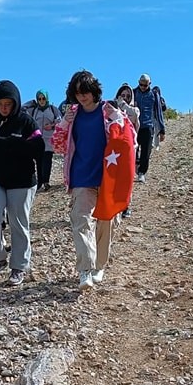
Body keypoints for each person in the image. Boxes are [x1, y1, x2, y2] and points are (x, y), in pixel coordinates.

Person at [51, 70, 136, 292]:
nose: (82, 96)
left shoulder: (109, 111)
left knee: (105, 222)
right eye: (77, 92)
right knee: (81, 220)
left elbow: (130, 139)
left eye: (85, 91)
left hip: (107, 176)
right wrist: (63, 123)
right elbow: (58, 146)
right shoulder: (71, 114)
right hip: (81, 176)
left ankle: (100, 265)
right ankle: (85, 270)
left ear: (94, 90)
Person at [0, 80, 44, 285]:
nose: (4, 108)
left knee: (18, 223)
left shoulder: (26, 122)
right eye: (0, 104)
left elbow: (38, 148)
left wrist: (16, 145)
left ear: (15, 103)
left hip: (21, 180)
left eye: (8, 104)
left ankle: (19, 267)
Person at [21, 90, 62, 191]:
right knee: (39, 161)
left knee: (47, 160)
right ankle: (39, 183)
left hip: (49, 140)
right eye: (39, 98)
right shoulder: (34, 110)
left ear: (47, 98)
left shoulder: (53, 109)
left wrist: (51, 125)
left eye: (43, 98)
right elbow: (22, 109)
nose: (41, 100)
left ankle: (46, 182)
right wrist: (31, 102)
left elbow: (60, 120)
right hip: (37, 140)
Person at [132, 74, 165, 183]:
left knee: (146, 152)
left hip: (148, 126)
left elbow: (158, 112)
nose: (142, 87)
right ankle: (135, 165)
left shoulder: (154, 95)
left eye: (145, 85)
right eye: (141, 84)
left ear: (149, 84)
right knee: (133, 150)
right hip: (134, 126)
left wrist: (161, 130)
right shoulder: (133, 93)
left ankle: (142, 173)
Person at [114, 83, 140, 218]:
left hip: (129, 148)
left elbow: (134, 115)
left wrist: (122, 105)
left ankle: (126, 205)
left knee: (127, 177)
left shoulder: (134, 110)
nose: (125, 98)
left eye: (128, 96)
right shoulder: (110, 109)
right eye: (122, 95)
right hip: (114, 148)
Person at [152, 85, 166, 151]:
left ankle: (156, 145)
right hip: (153, 116)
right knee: (154, 130)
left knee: (156, 131)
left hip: (156, 117)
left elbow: (164, 108)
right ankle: (154, 144)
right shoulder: (153, 98)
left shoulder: (160, 99)